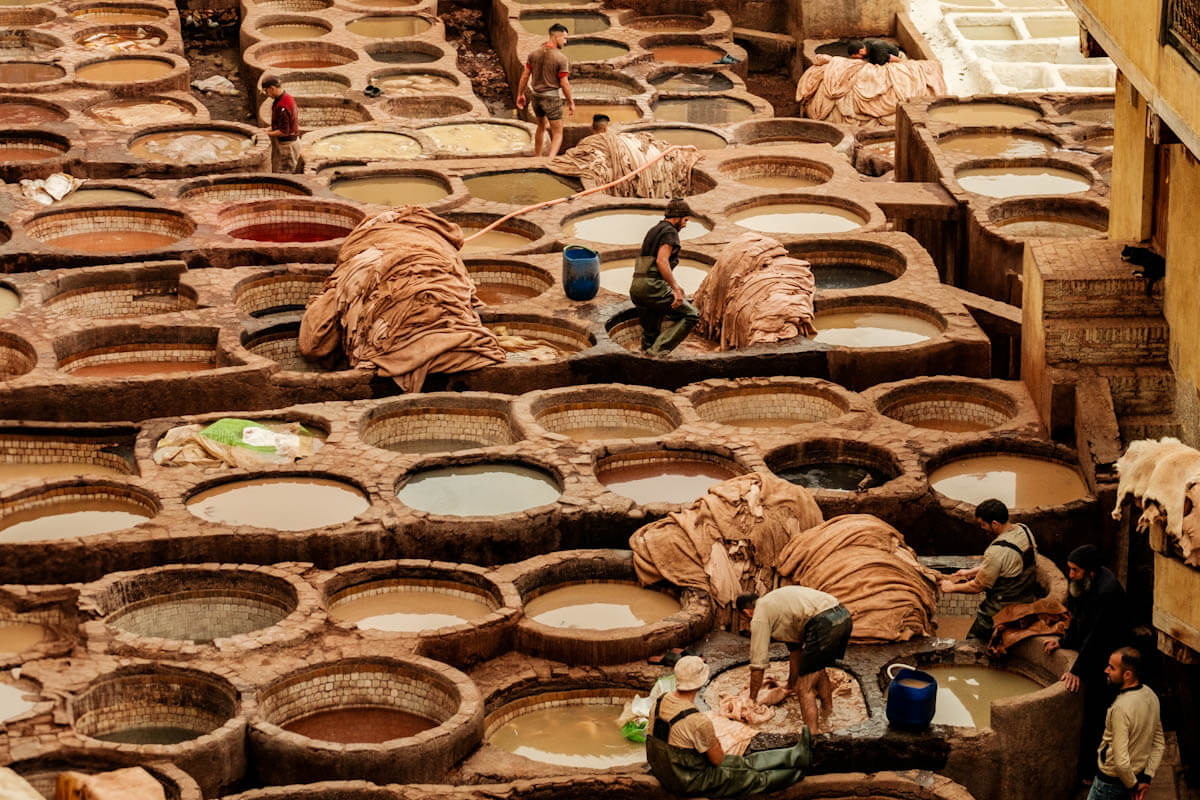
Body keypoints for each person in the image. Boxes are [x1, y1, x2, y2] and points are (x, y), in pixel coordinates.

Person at [645, 655, 809, 797]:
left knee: (741, 763)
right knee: (752, 778)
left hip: (665, 770)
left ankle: (795, 755)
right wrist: (713, 740)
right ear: (701, 683)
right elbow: (717, 760)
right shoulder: (697, 720)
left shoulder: (660, 700)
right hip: (687, 780)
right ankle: (799, 774)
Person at [1045, 544, 1131, 780]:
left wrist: (1077, 670)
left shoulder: (1107, 591)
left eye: (1075, 570)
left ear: (1090, 571)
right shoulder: (1084, 584)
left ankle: (1093, 772)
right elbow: (1078, 621)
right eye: (1069, 569)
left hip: (1110, 653)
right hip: (1097, 647)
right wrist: (1063, 642)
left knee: (1097, 714)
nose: (1070, 574)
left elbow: (1097, 636)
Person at [736, 586, 853, 735]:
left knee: (804, 688)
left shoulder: (759, 615)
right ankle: (827, 712)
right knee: (817, 669)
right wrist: (790, 685)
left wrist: (751, 700)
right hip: (843, 615)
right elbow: (796, 652)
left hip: (824, 622)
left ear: (747, 612)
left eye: (744, 619)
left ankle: (812, 736)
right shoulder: (775, 603)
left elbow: (758, 664)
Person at [940, 498, 1041, 643]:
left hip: (1004, 606)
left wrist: (951, 587)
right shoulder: (1023, 529)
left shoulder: (996, 551)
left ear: (994, 523)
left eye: (983, 524)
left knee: (972, 641)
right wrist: (969, 572)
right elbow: (1006, 564)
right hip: (1027, 598)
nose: (982, 528)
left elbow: (977, 586)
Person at [1088, 647, 1164, 800]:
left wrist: (1134, 786)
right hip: (1135, 777)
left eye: (1112, 668)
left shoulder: (1120, 708)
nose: (1106, 670)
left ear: (1127, 675)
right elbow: (1159, 743)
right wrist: (1146, 778)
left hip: (1109, 784)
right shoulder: (1150, 695)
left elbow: (1121, 761)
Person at [630, 198, 700, 356]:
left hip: (636, 287)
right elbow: (662, 261)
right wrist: (675, 287)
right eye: (685, 220)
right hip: (652, 287)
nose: (685, 224)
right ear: (677, 217)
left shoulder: (654, 230)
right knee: (691, 315)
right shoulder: (670, 232)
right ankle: (656, 353)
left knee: (651, 331)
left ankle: (646, 359)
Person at [515, 23, 575, 158]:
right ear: (556, 36)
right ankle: (550, 160)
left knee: (540, 127)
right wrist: (571, 102)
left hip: (536, 97)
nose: (565, 42)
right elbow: (564, 83)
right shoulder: (561, 58)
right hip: (552, 98)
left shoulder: (533, 54)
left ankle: (538, 157)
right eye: (564, 38)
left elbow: (525, 76)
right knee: (558, 133)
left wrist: (520, 94)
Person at [262, 75, 300, 173]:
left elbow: (284, 131)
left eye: (266, 91)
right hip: (287, 142)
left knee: (284, 173)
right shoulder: (285, 98)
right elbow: (281, 124)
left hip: (287, 145)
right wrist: (268, 129)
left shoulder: (282, 106)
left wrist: (267, 134)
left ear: (272, 88)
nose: (266, 94)